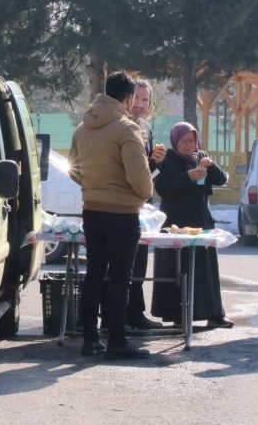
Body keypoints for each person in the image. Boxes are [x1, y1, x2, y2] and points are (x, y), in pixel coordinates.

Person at [68, 71, 154, 359]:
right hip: (122, 214)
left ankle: (90, 340)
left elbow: (74, 170)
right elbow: (139, 176)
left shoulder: (82, 128)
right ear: (128, 98)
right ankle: (117, 340)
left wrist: (94, 188)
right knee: (120, 278)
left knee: (93, 275)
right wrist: (142, 196)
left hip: (92, 211)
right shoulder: (127, 129)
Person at [151, 122, 233, 328]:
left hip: (200, 220)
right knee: (176, 267)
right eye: (184, 141)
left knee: (204, 268)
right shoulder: (166, 159)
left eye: (192, 141)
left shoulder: (201, 156)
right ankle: (178, 315)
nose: (189, 146)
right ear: (175, 142)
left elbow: (221, 179)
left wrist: (211, 166)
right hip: (175, 221)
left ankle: (214, 314)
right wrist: (188, 177)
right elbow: (163, 188)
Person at [121, 80, 166, 330]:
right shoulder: (118, 125)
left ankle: (136, 314)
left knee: (138, 261)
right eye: (136, 98)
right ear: (127, 99)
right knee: (119, 265)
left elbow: (147, 172)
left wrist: (157, 162)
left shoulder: (146, 128)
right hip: (119, 203)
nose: (140, 105)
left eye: (145, 100)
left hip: (142, 204)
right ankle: (115, 318)